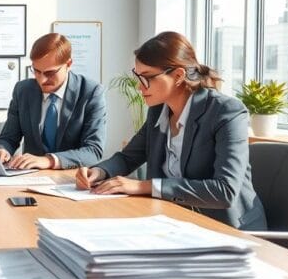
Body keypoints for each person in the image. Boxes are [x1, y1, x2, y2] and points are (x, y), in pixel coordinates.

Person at [76, 31, 267, 230]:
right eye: (137, 76)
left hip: (228, 229)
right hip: (175, 221)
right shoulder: (159, 110)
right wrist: (98, 171)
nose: (139, 87)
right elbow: (128, 157)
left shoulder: (226, 112)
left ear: (178, 76)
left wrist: (145, 186)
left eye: (147, 78)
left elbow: (224, 191)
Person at [0, 33, 106, 170]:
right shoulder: (23, 90)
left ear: (68, 64)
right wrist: (2, 150)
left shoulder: (91, 92)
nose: (42, 80)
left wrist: (49, 160)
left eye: (50, 73)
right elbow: (8, 138)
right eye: (36, 71)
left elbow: (93, 151)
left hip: (71, 180)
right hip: (29, 178)